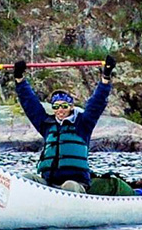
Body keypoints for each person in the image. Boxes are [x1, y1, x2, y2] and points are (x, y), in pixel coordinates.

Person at [14, 55, 133, 195]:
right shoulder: (47, 124)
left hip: (77, 184)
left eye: (64, 106)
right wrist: (19, 79)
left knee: (69, 186)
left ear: (71, 106)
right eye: (56, 106)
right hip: (49, 182)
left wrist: (105, 77)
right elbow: (30, 104)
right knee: (26, 179)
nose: (60, 110)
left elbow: (97, 102)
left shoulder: (83, 124)